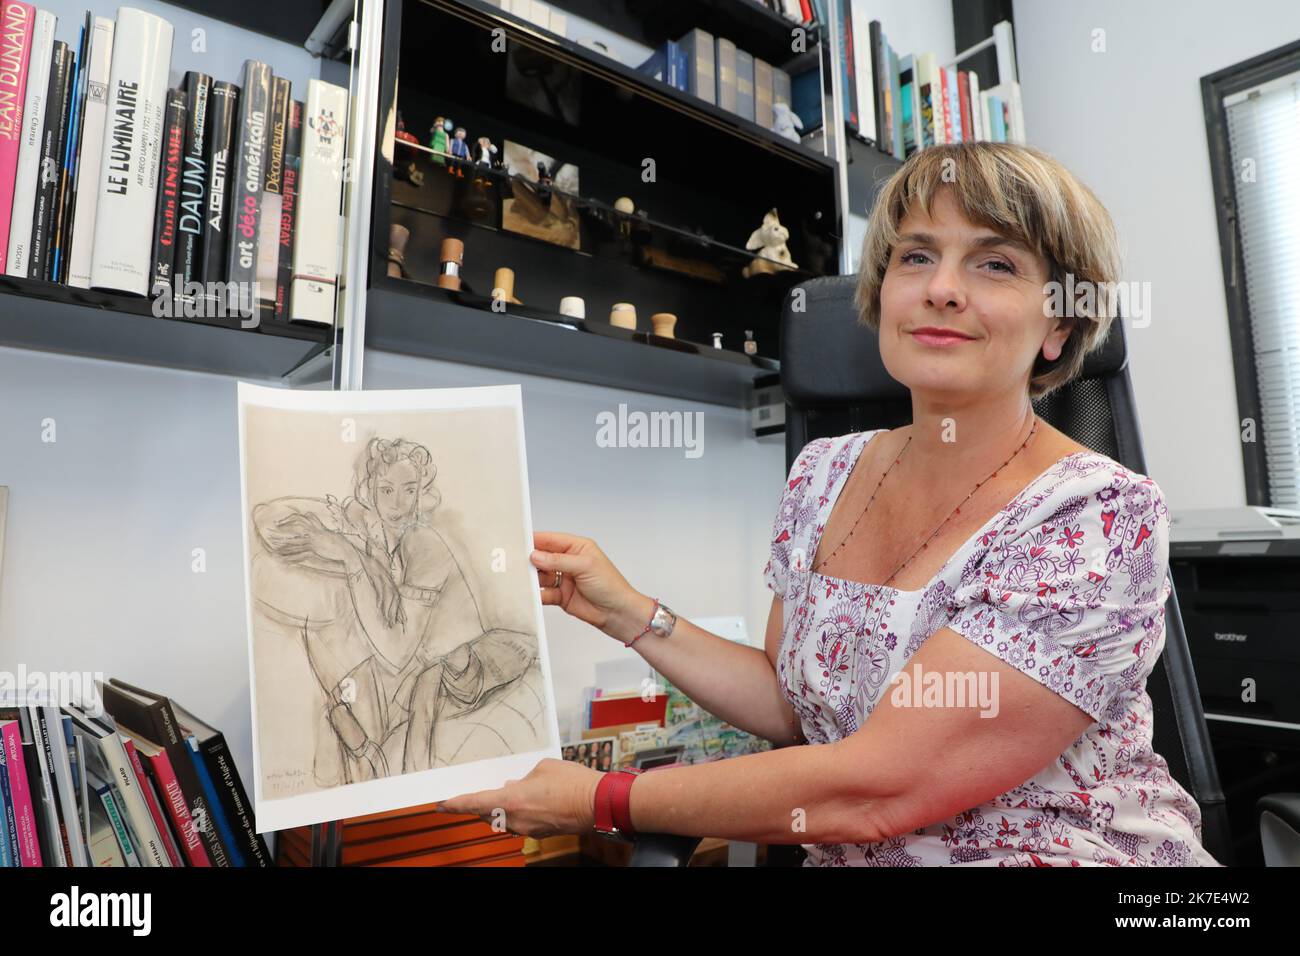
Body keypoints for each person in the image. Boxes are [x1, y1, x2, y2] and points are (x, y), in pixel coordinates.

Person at [434, 142, 1221, 866]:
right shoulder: (822, 472)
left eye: (995, 265)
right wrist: (629, 613)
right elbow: (790, 702)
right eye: (917, 256)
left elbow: (876, 787)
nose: (942, 289)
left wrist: (602, 800)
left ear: (1059, 325)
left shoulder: (1099, 517)